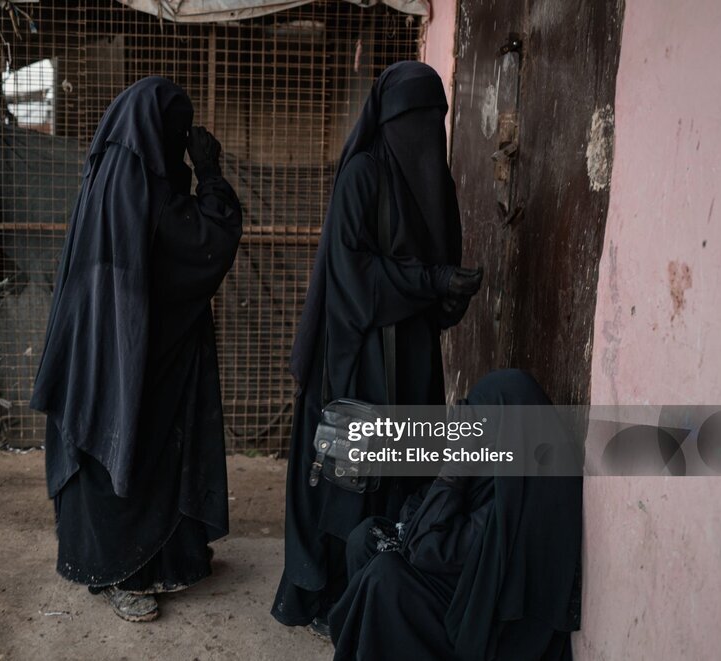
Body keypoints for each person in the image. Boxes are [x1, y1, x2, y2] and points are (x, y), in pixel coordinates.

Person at [272, 61, 483, 636]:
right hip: (358, 355)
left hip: (412, 360)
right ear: (388, 120)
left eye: (433, 120)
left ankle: (387, 592)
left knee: (404, 479)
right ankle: (335, 599)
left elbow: (439, 277)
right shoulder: (363, 174)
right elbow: (351, 272)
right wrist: (429, 282)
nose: (424, 134)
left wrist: (452, 291)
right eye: (412, 120)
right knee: (351, 482)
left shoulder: (434, 182)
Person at [30, 77, 242, 623]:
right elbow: (206, 239)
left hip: (105, 338)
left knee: (134, 439)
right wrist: (211, 175)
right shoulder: (139, 182)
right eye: (178, 131)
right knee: (129, 440)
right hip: (130, 344)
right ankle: (120, 573)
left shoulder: (107, 171)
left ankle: (159, 557)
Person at [330, 369, 583, 660]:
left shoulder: (526, 497)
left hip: (489, 629)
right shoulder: (504, 464)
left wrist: (454, 470)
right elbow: (417, 505)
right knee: (368, 537)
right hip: (466, 581)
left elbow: (427, 548)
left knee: (385, 577)